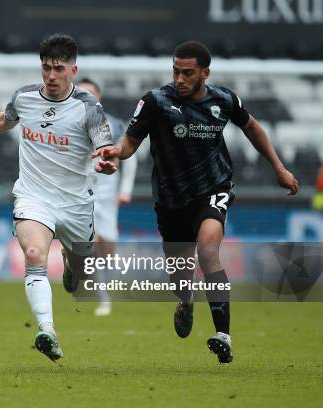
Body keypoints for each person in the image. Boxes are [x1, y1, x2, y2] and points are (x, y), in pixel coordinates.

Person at [94, 41, 299, 363]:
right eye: (176, 71)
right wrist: (115, 153)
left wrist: (279, 167)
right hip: (171, 198)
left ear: (205, 73)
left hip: (213, 189)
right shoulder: (155, 101)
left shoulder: (224, 99)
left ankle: (223, 335)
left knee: (207, 250)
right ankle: (185, 300)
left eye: (187, 73)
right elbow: (130, 143)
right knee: (181, 272)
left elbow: (252, 126)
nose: (179, 78)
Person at [0, 33, 114, 361]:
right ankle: (47, 330)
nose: (50, 76)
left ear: (73, 70)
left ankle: (73, 268)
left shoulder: (90, 108)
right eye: (46, 68)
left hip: (76, 204)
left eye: (58, 69)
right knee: (34, 255)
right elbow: (4, 121)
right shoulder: (25, 97)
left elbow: (107, 148)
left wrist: (106, 160)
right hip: (34, 196)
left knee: (82, 274)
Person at [78, 77, 137, 317]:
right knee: (91, 244)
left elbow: (129, 157)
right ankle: (103, 298)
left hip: (107, 195)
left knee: (108, 250)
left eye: (90, 93)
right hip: (80, 193)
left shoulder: (113, 124)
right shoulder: (66, 123)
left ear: (98, 97)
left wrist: (125, 190)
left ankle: (106, 288)